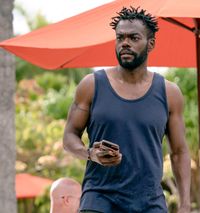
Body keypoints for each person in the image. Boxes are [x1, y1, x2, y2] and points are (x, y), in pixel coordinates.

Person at [63, 6, 191, 213]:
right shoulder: (91, 85)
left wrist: (185, 204)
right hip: (99, 198)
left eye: (133, 38)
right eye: (120, 37)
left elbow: (179, 152)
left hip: (149, 201)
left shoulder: (169, 93)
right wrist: (90, 153)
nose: (125, 43)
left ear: (151, 44)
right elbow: (69, 136)